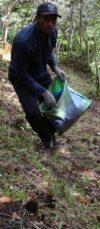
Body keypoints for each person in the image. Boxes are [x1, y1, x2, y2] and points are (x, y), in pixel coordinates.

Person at [8, 3, 66, 149]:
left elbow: (49, 51)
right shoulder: (23, 41)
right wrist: (42, 91)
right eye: (46, 19)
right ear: (37, 18)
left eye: (53, 20)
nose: (50, 24)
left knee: (52, 105)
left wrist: (55, 66)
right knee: (33, 113)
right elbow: (20, 74)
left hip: (40, 74)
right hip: (21, 79)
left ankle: (51, 133)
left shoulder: (53, 32)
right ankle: (46, 138)